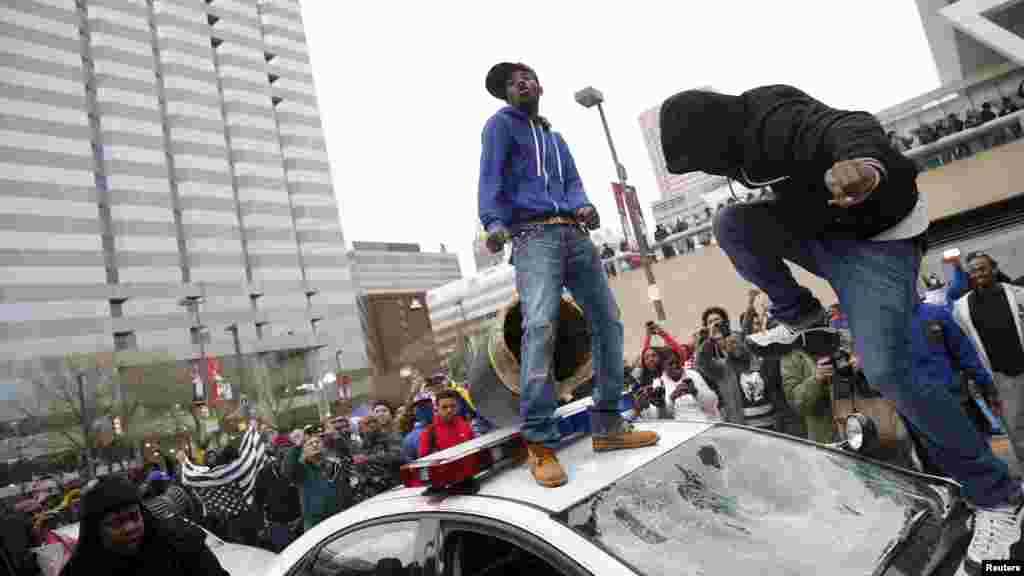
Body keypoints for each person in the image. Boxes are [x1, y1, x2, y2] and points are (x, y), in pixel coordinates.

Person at [658, 84, 1023, 571]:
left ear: (717, 135)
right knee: (732, 224)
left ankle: (1000, 498)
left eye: (706, 161)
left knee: (889, 371)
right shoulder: (741, 148)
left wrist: (863, 163)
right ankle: (804, 318)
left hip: (879, 241)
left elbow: (844, 124)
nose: (713, 172)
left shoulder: (773, 118)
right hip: (829, 230)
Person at [478, 62, 657, 488]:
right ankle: (539, 441)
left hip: (574, 236)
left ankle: (609, 424)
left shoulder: (555, 139)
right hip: (532, 236)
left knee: (608, 322)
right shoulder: (500, 126)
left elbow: (574, 184)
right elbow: (490, 178)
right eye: (511, 82)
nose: (521, 82)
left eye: (526, 76)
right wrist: (491, 222)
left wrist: (585, 207)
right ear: (506, 94)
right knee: (540, 325)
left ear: (539, 85)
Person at [60, 475, 228, 576]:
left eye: (134, 517)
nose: (130, 527)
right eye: (117, 523)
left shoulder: (182, 544)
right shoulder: (81, 570)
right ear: (95, 531)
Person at [953, 252, 1024, 461]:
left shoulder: (1017, 294)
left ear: (993, 269)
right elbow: (965, 346)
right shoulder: (961, 308)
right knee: (1016, 427)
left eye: (982, 268)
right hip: (1001, 377)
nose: (978, 274)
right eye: (973, 271)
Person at [284, 423, 352, 532]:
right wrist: (297, 446)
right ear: (304, 450)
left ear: (324, 447)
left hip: (340, 518)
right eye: (310, 444)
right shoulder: (301, 470)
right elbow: (288, 469)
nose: (315, 445)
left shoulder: (334, 465)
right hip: (315, 524)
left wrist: (336, 437)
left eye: (318, 442)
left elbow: (347, 458)